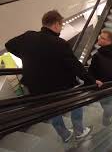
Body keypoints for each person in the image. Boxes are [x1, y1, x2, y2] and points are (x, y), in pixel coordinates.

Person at [5, 10, 103, 142]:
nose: (61, 28)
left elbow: (9, 45)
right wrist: (92, 81)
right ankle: (79, 131)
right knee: (77, 100)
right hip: (60, 86)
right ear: (56, 24)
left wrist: (27, 56)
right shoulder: (59, 43)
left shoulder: (29, 36)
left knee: (51, 111)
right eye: (61, 25)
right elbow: (76, 66)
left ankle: (65, 135)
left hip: (36, 87)